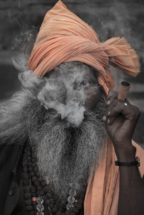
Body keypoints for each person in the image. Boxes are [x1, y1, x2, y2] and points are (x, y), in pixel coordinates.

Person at [0, 1, 144, 215]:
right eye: (59, 84)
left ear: (102, 90)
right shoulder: (7, 147)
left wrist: (123, 149)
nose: (72, 98)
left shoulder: (129, 153)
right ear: (38, 90)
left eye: (85, 84)